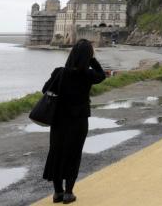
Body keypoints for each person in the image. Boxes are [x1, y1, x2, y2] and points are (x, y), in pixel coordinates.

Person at [41, 39, 106, 204]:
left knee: (56, 153)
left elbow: (45, 90)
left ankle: (57, 193)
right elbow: (102, 75)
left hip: (59, 120)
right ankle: (69, 193)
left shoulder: (59, 72)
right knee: (73, 155)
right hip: (79, 120)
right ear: (87, 57)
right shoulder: (88, 75)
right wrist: (92, 59)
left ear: (72, 54)